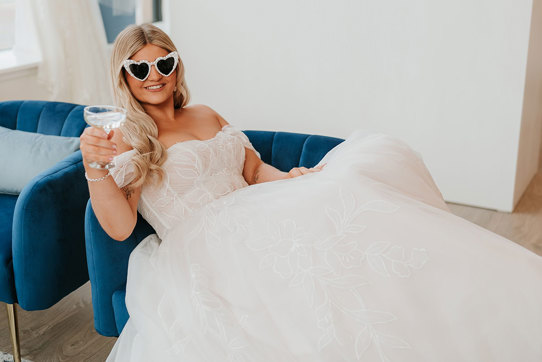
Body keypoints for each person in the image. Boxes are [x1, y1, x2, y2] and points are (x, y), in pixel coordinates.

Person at [80, 23, 542, 362]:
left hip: (257, 207)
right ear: (124, 75)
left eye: (164, 63)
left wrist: (291, 180)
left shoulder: (205, 112)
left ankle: (457, 302)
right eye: (139, 67)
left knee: (352, 197)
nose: (153, 75)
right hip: (204, 243)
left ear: (177, 68)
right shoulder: (126, 138)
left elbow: (253, 168)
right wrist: (94, 166)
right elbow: (120, 227)